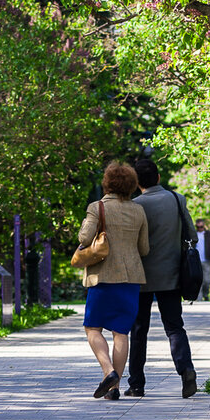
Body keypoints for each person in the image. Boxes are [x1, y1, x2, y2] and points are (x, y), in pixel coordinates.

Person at [125, 158, 198, 398]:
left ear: (136, 183)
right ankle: (186, 370)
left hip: (140, 278)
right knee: (174, 327)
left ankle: (136, 384)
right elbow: (192, 235)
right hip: (172, 276)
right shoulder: (177, 200)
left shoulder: (134, 206)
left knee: (138, 331)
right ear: (158, 177)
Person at [78, 162, 149, 401]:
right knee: (121, 332)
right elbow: (144, 248)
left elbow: (84, 237)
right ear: (131, 184)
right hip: (130, 279)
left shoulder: (97, 207)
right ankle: (115, 387)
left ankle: (109, 373)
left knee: (93, 328)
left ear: (107, 182)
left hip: (102, 277)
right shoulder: (138, 210)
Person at [195, 219, 210, 301]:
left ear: (204, 226)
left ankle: (205, 294)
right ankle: (199, 298)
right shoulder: (193, 234)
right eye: (198, 227)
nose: (199, 228)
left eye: (201, 227)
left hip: (206, 260)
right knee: (198, 280)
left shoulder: (209, 234)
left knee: (207, 280)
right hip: (196, 261)